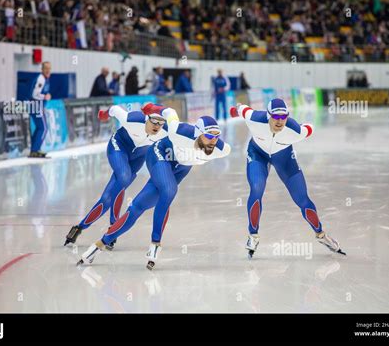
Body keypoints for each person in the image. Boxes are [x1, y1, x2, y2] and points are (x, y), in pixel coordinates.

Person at [77, 104, 231, 269]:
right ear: (198, 134)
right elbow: (170, 111)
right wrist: (154, 108)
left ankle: (98, 245)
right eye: (209, 136)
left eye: (217, 136)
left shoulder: (222, 149)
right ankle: (155, 243)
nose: (214, 141)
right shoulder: (178, 131)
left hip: (181, 167)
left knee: (137, 206)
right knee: (169, 190)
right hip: (160, 154)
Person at [230, 98, 345, 258]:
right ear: (268, 116)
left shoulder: (294, 130)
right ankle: (253, 235)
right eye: (276, 117)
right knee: (256, 188)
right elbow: (242, 108)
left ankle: (321, 235)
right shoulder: (255, 119)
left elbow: (309, 128)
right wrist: (235, 109)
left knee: (302, 199)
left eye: (283, 117)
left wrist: (309, 126)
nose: (280, 121)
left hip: (284, 157)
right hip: (258, 154)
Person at [64, 104, 172, 247]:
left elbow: (183, 135)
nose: (157, 126)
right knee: (124, 177)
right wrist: (104, 114)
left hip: (138, 157)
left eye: (160, 123)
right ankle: (113, 224)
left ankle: (79, 228)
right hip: (119, 147)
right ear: (147, 119)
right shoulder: (132, 119)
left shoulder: (166, 131)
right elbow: (114, 109)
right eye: (154, 122)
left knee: (108, 197)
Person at [28, 61, 52, 158]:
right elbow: (34, 94)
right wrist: (45, 96)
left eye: (49, 69)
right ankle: (35, 150)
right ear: (42, 69)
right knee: (43, 128)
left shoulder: (45, 79)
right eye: (46, 68)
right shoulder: (41, 79)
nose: (48, 70)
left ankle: (34, 150)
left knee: (40, 128)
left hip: (37, 106)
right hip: (36, 106)